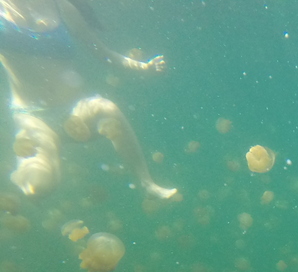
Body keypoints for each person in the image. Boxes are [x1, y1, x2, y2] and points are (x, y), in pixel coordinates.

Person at [0, 0, 177, 199]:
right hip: (32, 118)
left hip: (75, 110)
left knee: (107, 109)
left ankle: (147, 183)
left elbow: (102, 53)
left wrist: (143, 67)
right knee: (39, 187)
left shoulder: (62, 7)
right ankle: (13, 187)